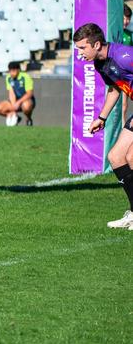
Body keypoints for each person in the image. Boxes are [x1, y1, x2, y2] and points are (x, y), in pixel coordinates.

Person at [74, 22, 133, 229]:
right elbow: (115, 89)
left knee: (132, 157)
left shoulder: (124, 56)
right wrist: (102, 117)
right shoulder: (99, 63)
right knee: (116, 158)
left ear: (97, 44)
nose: (80, 53)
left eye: (83, 48)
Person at [0, 61, 35, 126]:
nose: (11, 73)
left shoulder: (25, 77)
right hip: (14, 101)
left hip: (26, 100)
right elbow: (11, 93)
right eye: (10, 71)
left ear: (18, 70)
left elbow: (29, 93)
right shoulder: (8, 78)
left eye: (13, 71)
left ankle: (28, 119)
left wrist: (18, 102)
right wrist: (13, 109)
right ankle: (16, 117)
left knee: (26, 106)